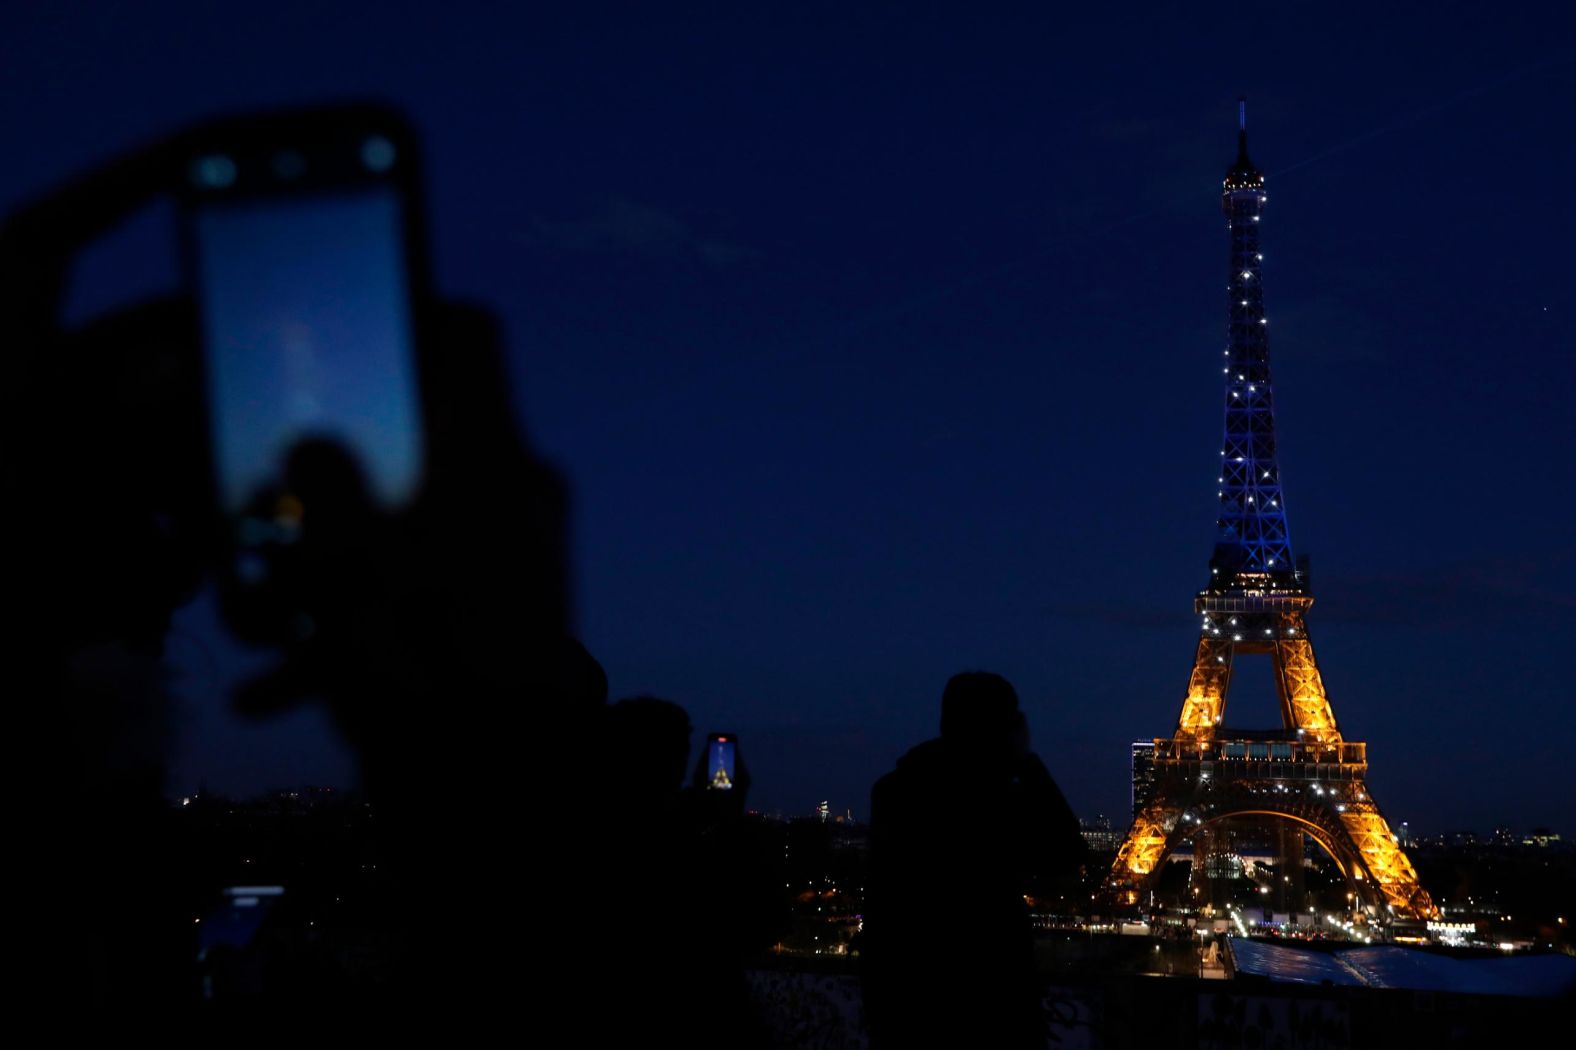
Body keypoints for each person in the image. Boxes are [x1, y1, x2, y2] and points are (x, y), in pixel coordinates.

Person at [862, 671, 1087, 1048]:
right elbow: (1066, 855)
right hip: (993, 1004)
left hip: (909, 1008)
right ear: (1005, 728)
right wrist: (1027, 762)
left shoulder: (893, 792)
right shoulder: (995, 801)